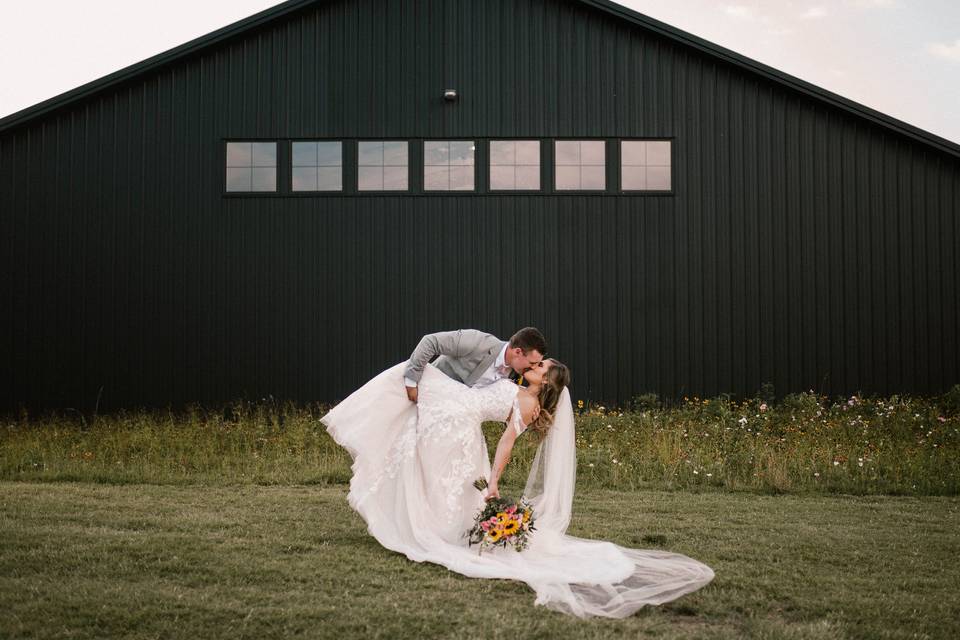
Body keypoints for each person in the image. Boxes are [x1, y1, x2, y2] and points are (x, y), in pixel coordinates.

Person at [321, 346, 714, 619]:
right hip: (455, 417)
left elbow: (507, 442)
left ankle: (428, 528)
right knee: (406, 390)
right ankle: (426, 520)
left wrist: (493, 481)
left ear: (546, 383)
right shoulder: (519, 386)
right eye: (538, 363)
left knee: (432, 468)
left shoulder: (527, 402)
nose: (536, 366)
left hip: (458, 426)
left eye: (542, 368)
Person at [403, 327, 547, 402]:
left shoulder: (516, 373)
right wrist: (411, 382)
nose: (533, 367)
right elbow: (430, 341)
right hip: (425, 394)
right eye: (532, 363)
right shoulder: (477, 342)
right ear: (518, 352)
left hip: (458, 419)